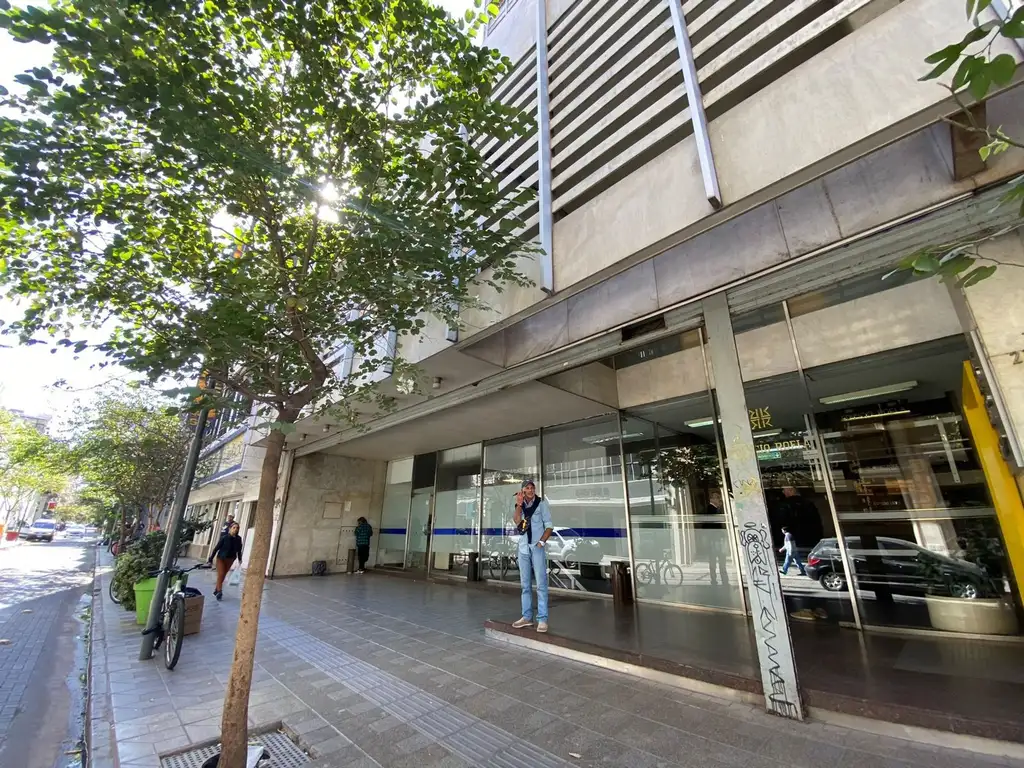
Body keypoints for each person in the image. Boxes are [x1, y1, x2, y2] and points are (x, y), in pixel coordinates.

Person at [511, 480, 553, 633]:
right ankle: (526, 617)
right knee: (525, 585)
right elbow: (517, 521)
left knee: (541, 584)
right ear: (522, 491)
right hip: (523, 548)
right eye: (527, 488)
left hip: (536, 547)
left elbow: (549, 525)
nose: (530, 490)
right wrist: (519, 504)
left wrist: (542, 541)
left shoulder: (541, 504)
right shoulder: (520, 505)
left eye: (532, 488)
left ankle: (542, 619)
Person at [208, 521, 243, 600]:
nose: (235, 529)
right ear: (230, 528)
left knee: (223, 575)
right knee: (221, 574)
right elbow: (216, 548)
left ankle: (216, 590)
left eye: (237, 528)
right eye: (234, 528)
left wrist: (240, 559)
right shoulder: (224, 537)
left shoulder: (238, 539)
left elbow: (239, 550)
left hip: (230, 559)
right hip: (221, 558)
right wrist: (210, 559)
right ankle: (219, 591)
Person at [704, 490, 729, 587]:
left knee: (716, 560)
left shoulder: (715, 509)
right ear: (712, 499)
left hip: (715, 539)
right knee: (718, 560)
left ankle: (716, 579)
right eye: (717, 498)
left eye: (719, 497)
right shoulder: (711, 509)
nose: (719, 499)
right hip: (715, 539)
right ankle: (720, 579)